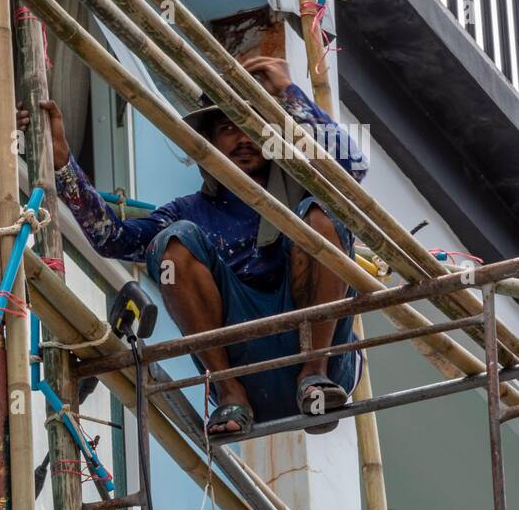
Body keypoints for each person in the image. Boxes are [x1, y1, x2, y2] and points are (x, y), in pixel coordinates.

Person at [29, 56, 367, 437]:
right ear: (209, 142)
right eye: (228, 128)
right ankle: (230, 389)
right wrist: (63, 164)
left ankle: (312, 371)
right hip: (242, 377)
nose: (242, 139)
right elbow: (112, 239)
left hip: (321, 366)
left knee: (323, 213)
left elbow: (352, 168)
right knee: (171, 244)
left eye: (253, 128)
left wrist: (289, 94)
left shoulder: (301, 187)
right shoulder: (190, 212)